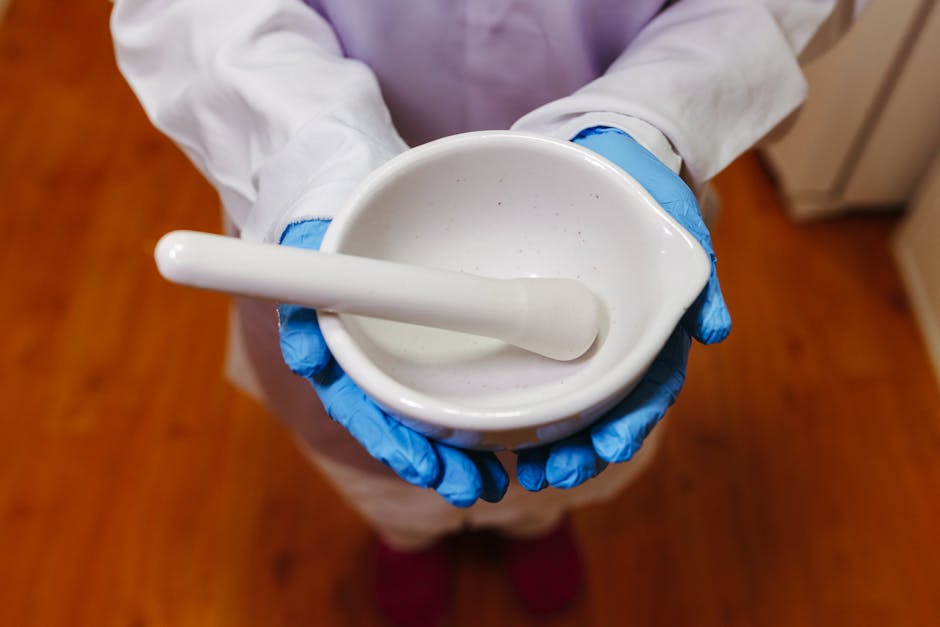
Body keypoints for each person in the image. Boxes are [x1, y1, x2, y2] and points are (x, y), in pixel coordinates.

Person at [111, 2, 864, 625]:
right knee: (385, 464)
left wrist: (652, 118)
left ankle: (537, 519)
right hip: (326, 181)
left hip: (614, 174)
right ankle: (405, 533)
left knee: (564, 459)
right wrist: (308, 156)